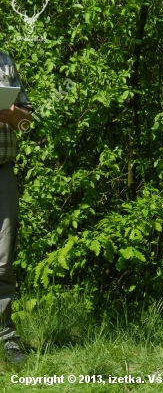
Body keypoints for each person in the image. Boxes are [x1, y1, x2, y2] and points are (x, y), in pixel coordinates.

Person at [0, 50, 33, 362]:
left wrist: (15, 117)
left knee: (3, 258)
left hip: (3, 170)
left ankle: (6, 338)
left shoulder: (5, 61)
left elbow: (27, 121)